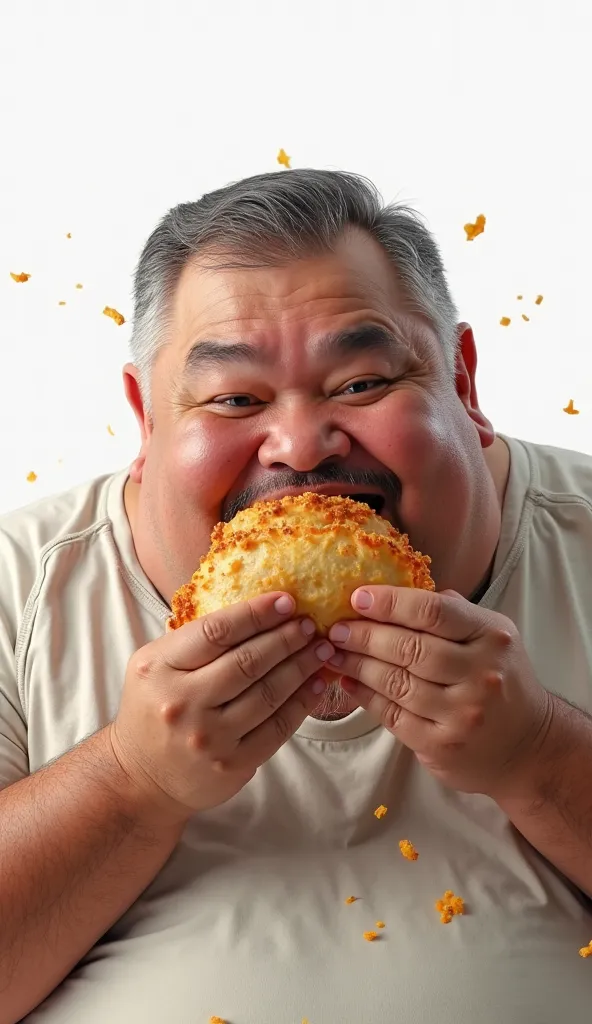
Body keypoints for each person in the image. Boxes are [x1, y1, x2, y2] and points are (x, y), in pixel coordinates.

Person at [0, 169, 591, 1024]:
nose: (302, 447)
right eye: (235, 398)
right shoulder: (21, 585)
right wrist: (131, 783)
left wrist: (538, 754)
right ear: (147, 421)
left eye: (360, 384)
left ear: (464, 382)